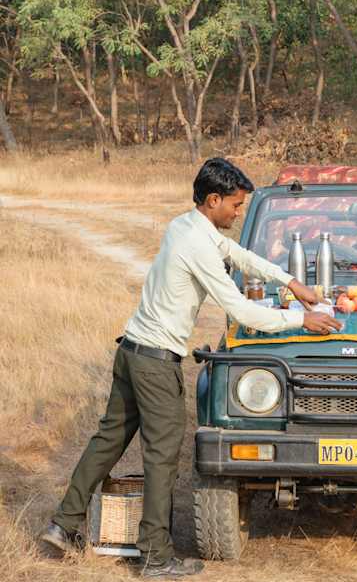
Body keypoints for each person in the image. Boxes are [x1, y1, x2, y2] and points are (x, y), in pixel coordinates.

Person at [39, 158, 341, 578]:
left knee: (107, 440)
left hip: (131, 350)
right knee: (162, 459)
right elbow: (239, 310)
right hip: (156, 362)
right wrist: (300, 319)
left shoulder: (187, 225)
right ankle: (154, 557)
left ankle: (63, 524)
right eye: (235, 206)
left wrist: (289, 282)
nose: (238, 213)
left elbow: (238, 254)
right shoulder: (197, 245)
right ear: (213, 200)